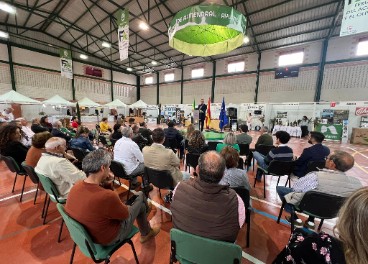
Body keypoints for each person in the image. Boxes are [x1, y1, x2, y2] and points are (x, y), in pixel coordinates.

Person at [64, 149, 160, 246]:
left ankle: (146, 226)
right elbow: (125, 215)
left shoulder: (76, 186)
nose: (110, 170)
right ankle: (146, 228)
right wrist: (109, 184)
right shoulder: (106, 196)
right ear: (102, 168)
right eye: (109, 167)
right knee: (140, 195)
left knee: (141, 206)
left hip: (86, 236)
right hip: (109, 238)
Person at [273, 187, 368, 264]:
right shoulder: (354, 182)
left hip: (306, 206)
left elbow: (298, 187)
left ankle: (297, 219)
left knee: (298, 233)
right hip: (325, 212)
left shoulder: (323, 245)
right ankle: (309, 221)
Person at [171, 151, 245, 242]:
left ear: (197, 170)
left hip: (184, 249)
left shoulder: (178, 188)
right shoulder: (236, 201)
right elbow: (239, 225)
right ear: (223, 175)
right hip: (218, 253)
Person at [276, 150, 362, 228]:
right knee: (318, 194)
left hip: (308, 207)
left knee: (282, 189)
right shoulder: (357, 184)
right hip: (332, 212)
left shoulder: (315, 176)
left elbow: (296, 189)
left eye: (327, 158)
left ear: (332, 163)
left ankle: (294, 218)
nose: (325, 160)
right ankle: (310, 221)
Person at [143, 128, 190, 202]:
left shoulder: (145, 149)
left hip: (154, 180)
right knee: (187, 175)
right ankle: (179, 197)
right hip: (169, 182)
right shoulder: (169, 152)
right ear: (164, 139)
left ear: (152, 138)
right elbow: (177, 163)